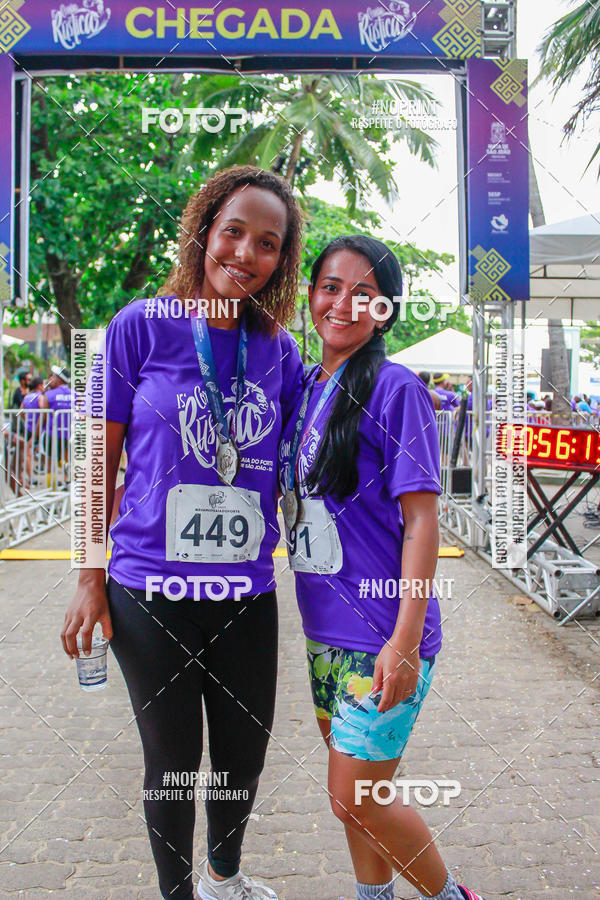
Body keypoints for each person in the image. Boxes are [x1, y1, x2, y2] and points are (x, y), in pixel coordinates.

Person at [61, 165, 304, 900]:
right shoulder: (139, 326)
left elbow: (300, 460)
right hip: (148, 590)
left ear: (280, 259)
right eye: (234, 231)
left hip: (244, 592)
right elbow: (97, 463)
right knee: (170, 762)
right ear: (204, 231)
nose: (246, 253)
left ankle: (225, 878)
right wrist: (87, 577)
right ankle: (178, 895)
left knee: (242, 758)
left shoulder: (278, 350)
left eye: (268, 242)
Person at [279, 235, 486, 900]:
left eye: (364, 294)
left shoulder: (396, 390)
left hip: (382, 637)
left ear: (386, 310)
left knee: (357, 799)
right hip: (324, 635)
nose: (343, 303)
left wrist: (403, 641)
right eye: (330, 286)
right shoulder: (308, 387)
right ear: (310, 294)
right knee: (356, 800)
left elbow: (424, 520)